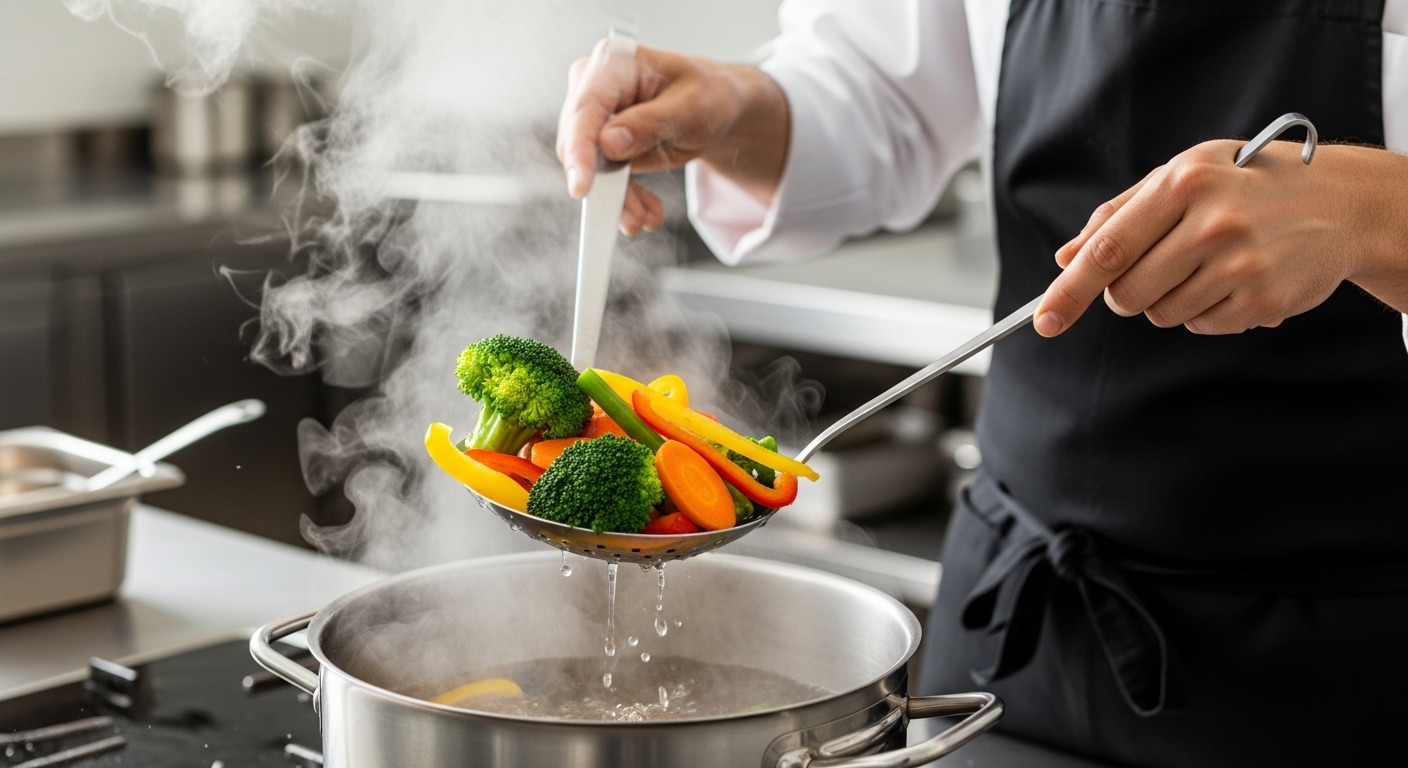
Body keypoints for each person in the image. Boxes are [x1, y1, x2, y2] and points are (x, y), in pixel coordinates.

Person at [557, 1, 1408, 765]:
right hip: (1016, 635)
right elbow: (888, 88)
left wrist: (1370, 213)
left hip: (1356, 655)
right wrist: (742, 109)